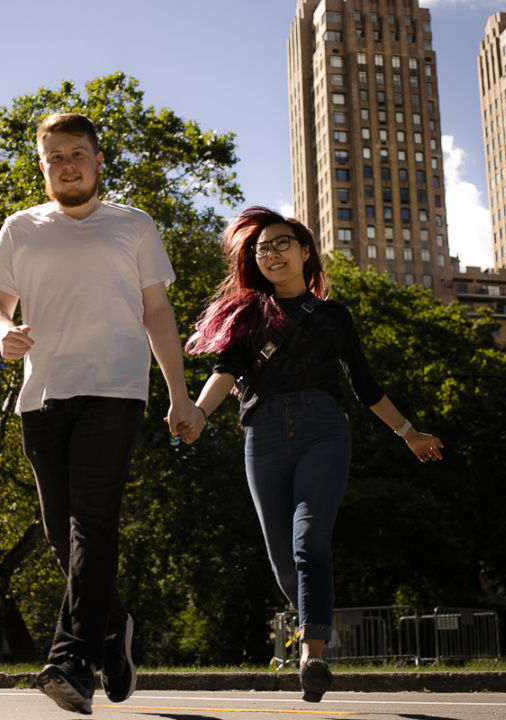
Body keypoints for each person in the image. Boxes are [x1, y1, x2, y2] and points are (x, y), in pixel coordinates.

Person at [0, 112, 204, 715]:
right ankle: (114, 625)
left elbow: (157, 312)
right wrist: (2, 334)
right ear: (42, 164)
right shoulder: (21, 228)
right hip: (43, 392)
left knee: (93, 520)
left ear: (98, 159)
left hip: (115, 388)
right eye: (55, 157)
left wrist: (180, 395)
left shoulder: (132, 225)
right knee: (61, 531)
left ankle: (70, 660)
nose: (67, 165)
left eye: (78, 153)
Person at [180, 206, 443, 702]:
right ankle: (316, 619)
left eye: (282, 244)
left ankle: (313, 655)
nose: (272, 254)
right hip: (264, 435)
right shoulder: (248, 315)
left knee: (309, 542)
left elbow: (365, 386)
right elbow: (227, 371)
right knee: (283, 559)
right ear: (254, 263)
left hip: (324, 431)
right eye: (262, 249)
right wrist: (197, 414)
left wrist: (410, 433)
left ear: (305, 252)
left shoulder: (333, 315)